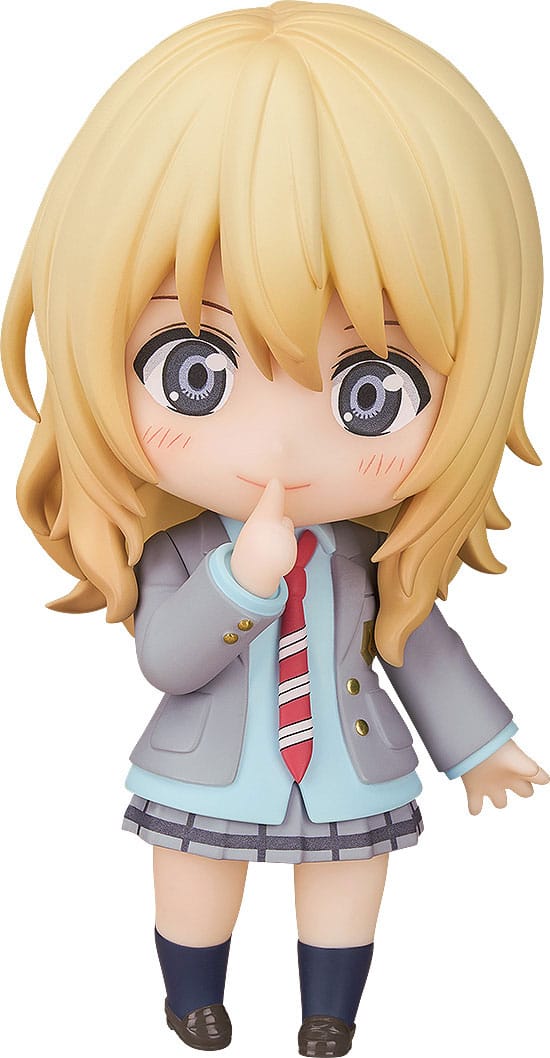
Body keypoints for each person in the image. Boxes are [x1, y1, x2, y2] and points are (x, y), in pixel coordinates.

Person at [2, 4, 547, 1055]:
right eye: (194, 372)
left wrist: (482, 747)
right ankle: (191, 998)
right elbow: (167, 659)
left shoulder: (367, 559)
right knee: (192, 874)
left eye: (370, 389)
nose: (281, 445)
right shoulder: (179, 552)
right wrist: (240, 582)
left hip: (347, 762)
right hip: (206, 766)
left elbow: (418, 643)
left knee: (347, 882)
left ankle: (329, 1013)